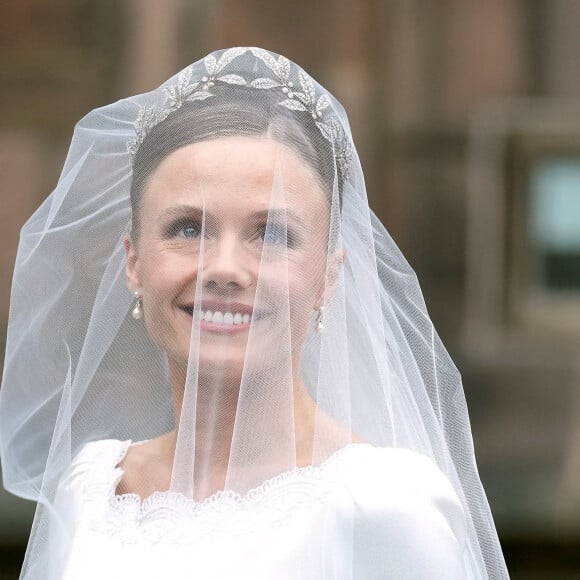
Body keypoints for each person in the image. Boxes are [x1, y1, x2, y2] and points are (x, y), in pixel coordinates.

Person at [0, 47, 509, 579]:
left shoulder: (382, 506)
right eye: (187, 229)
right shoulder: (90, 492)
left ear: (329, 278)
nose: (224, 268)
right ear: (133, 263)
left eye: (271, 234)